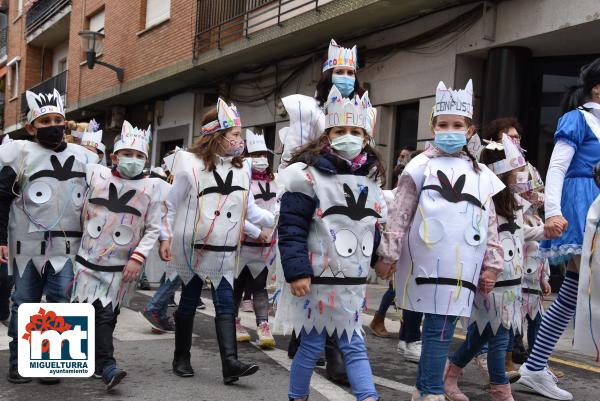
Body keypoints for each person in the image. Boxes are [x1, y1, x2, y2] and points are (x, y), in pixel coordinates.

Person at [375, 79, 505, 401]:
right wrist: (388, 254)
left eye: (457, 125)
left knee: (442, 326)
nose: (450, 130)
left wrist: (492, 265)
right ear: (433, 127)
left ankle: (425, 389)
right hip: (424, 260)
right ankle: (431, 390)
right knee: (437, 326)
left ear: (469, 129)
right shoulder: (419, 166)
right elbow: (401, 211)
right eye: (443, 124)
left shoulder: (480, 174)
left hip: (463, 265)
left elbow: (489, 222)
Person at [275, 85, 384, 401]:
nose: (347, 136)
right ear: (327, 135)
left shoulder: (370, 180)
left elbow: (369, 224)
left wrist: (377, 257)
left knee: (354, 343)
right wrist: (297, 272)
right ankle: (297, 397)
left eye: (355, 130)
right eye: (340, 130)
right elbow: (292, 227)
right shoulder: (305, 176)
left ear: (365, 138)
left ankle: (368, 397)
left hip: (351, 281)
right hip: (316, 281)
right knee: (310, 345)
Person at [161, 98, 275, 384]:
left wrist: (278, 216)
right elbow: (170, 204)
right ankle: (181, 356)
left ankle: (230, 364)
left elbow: (248, 210)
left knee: (226, 307)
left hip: (225, 252)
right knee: (188, 305)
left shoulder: (242, 170)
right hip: (193, 251)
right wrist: (166, 236)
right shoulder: (189, 165)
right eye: (235, 134)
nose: (240, 140)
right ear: (217, 136)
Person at [445, 134, 553, 401]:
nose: (521, 174)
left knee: (482, 336)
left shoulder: (516, 205)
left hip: (512, 284)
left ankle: (451, 371)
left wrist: (545, 231)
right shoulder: (485, 204)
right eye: (516, 170)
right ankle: (500, 390)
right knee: (499, 337)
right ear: (501, 173)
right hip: (491, 282)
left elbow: (520, 235)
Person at [1, 89, 99, 383]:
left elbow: (96, 200)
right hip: (26, 244)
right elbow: (2, 198)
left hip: (68, 246)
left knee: (59, 300)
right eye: (45, 121)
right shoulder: (18, 153)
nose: (53, 125)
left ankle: (48, 362)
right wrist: (1, 240)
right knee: (25, 301)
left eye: (58, 119)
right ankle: (19, 361)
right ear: (32, 127)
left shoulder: (83, 157)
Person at [518, 58, 600, 401]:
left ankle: (534, 366)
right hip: (582, 206)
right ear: (597, 87)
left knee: (573, 291)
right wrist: (553, 212)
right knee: (585, 288)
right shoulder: (577, 119)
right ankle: (534, 367)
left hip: (595, 205)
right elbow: (556, 168)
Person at [71, 121, 160, 390]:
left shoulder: (153, 188)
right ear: (114, 156)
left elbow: (153, 226)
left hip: (120, 269)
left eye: (139, 156)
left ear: (146, 159)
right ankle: (100, 362)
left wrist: (138, 258)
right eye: (127, 154)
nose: (133, 160)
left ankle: (105, 364)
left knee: (108, 314)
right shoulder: (96, 176)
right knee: (86, 313)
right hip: (86, 263)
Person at [234, 129, 278, 348]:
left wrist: (271, 233)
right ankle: (234, 323)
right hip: (242, 246)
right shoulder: (239, 182)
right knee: (238, 287)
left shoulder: (275, 182)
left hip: (264, 247)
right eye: (254, 155)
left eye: (263, 155)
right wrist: (255, 232)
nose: (260, 160)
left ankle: (263, 325)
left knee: (259, 286)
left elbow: (278, 211)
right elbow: (235, 214)